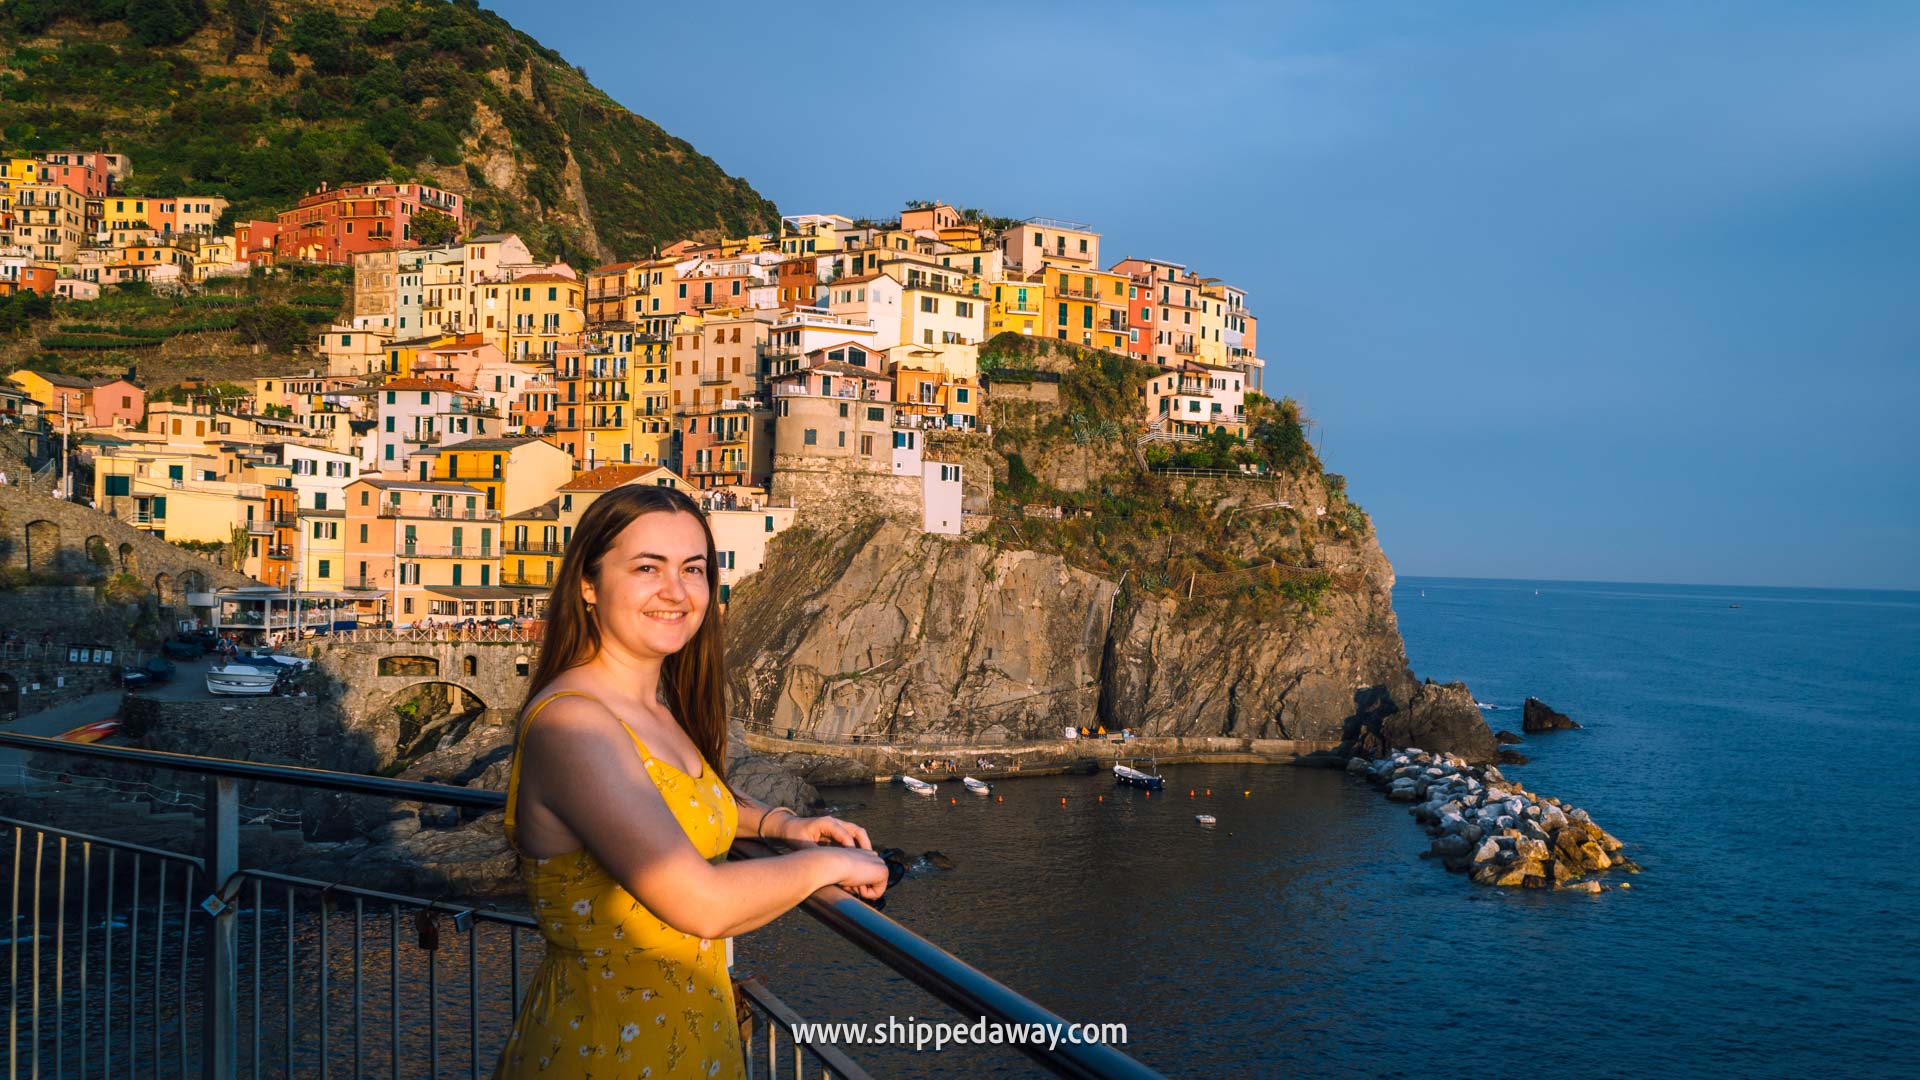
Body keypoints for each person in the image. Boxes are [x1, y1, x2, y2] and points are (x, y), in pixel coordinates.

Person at [497, 484, 887, 1078]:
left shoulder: (653, 707)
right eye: (647, 567)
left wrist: (783, 824)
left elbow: (685, 796)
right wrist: (834, 867)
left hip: (687, 1040)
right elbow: (700, 903)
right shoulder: (574, 724)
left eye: (694, 569)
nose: (676, 592)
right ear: (588, 583)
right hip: (608, 1051)